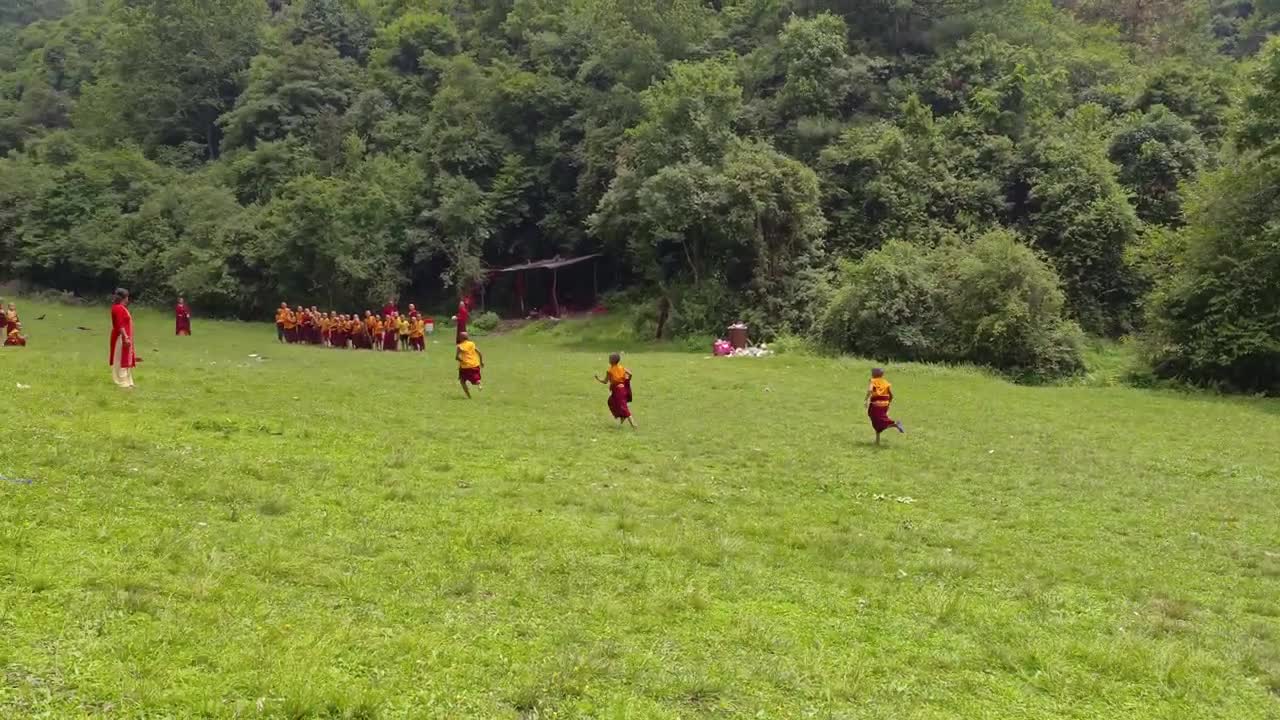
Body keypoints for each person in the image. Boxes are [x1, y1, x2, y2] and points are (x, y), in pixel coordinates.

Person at [595, 353, 636, 428]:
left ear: (611, 361)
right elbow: (630, 374)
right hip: (623, 389)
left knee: (623, 407)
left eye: (610, 359)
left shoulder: (610, 370)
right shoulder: (622, 367)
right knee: (611, 401)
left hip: (618, 391)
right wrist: (626, 380)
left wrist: (598, 379)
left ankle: (633, 424)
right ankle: (621, 416)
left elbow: (605, 381)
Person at [865, 368, 905, 445]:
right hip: (884, 404)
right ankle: (877, 441)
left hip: (876, 404)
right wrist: (888, 404)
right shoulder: (885, 382)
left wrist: (866, 400)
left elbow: (870, 390)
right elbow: (891, 395)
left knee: (878, 420)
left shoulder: (873, 381)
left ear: (874, 374)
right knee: (877, 420)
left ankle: (895, 423)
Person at [109, 288, 137, 389]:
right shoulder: (118, 308)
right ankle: (122, 382)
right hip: (120, 337)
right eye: (127, 297)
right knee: (121, 359)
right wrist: (125, 337)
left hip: (126, 336)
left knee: (127, 358)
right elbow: (120, 325)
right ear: (124, 298)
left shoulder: (121, 307)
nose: (128, 299)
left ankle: (129, 381)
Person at [456, 331, 483, 398]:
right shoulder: (472, 344)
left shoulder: (460, 346)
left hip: (465, 367)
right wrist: (481, 362)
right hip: (475, 364)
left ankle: (469, 396)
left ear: (460, 338)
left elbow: (456, 357)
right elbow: (479, 352)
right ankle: (479, 383)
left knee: (462, 381)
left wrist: (462, 361)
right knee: (475, 379)